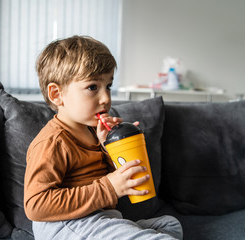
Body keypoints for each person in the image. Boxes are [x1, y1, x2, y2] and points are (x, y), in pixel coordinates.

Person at [24, 35, 183, 240]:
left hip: (102, 218)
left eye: (108, 86)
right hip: (67, 224)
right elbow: (36, 205)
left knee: (170, 225)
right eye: (92, 87)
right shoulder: (53, 142)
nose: (106, 98)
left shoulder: (92, 132)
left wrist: (110, 147)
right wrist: (109, 187)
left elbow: (105, 177)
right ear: (57, 94)